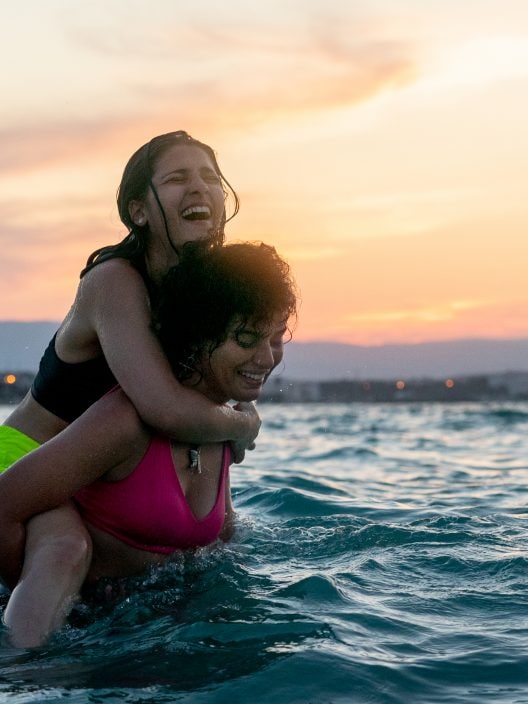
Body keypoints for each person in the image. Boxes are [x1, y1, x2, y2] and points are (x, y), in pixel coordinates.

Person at [0, 131, 261, 612]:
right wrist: (244, 423)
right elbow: (165, 409)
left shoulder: (205, 291)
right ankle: (29, 678)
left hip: (95, 474)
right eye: (177, 179)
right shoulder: (114, 283)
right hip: (22, 459)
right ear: (139, 211)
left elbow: (211, 395)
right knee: (64, 551)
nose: (199, 188)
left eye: (210, 177)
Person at [0, 241, 297, 648]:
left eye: (277, 338)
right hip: (79, 639)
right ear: (197, 335)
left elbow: (222, 545)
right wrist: (31, 595)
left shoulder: (222, 424)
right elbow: (3, 506)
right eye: (246, 338)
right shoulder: (124, 421)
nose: (266, 358)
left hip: (141, 635)